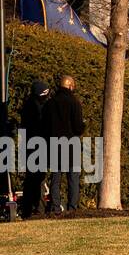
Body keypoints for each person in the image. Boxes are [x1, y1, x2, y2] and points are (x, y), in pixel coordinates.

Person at [45, 75, 86, 213]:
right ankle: (72, 207)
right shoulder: (74, 102)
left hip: (55, 143)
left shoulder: (50, 103)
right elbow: (78, 127)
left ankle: (56, 207)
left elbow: (45, 125)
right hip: (71, 144)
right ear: (70, 86)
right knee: (73, 178)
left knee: (56, 177)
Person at [19, 80, 50, 218]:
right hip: (37, 146)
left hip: (29, 146)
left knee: (31, 179)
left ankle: (28, 208)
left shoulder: (28, 105)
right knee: (38, 179)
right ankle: (38, 208)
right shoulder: (38, 108)